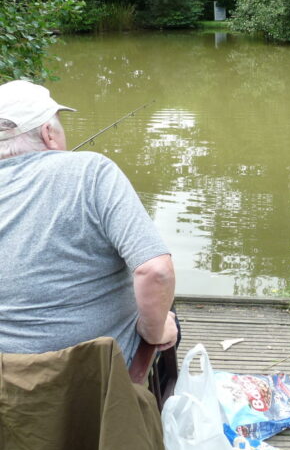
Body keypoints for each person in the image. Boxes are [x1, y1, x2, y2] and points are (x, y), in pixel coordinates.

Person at [0, 80, 177, 366]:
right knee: (164, 310)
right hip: (94, 384)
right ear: (48, 134)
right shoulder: (90, 172)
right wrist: (153, 332)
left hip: (9, 391)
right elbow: (156, 272)